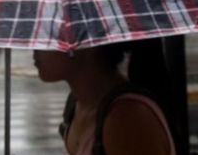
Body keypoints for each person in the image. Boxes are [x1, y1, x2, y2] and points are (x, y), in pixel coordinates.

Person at [34, 43, 176, 155]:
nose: (34, 48)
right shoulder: (78, 105)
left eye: (47, 36)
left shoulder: (126, 118)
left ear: (86, 45)